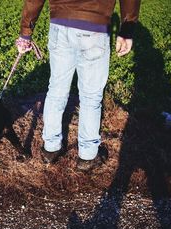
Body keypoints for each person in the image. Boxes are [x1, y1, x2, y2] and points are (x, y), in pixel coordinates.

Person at [16, 0, 141, 171]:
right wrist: (126, 30)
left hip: (60, 25)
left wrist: (26, 32)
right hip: (95, 27)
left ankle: (50, 149)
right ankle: (88, 156)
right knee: (91, 96)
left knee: (56, 89)